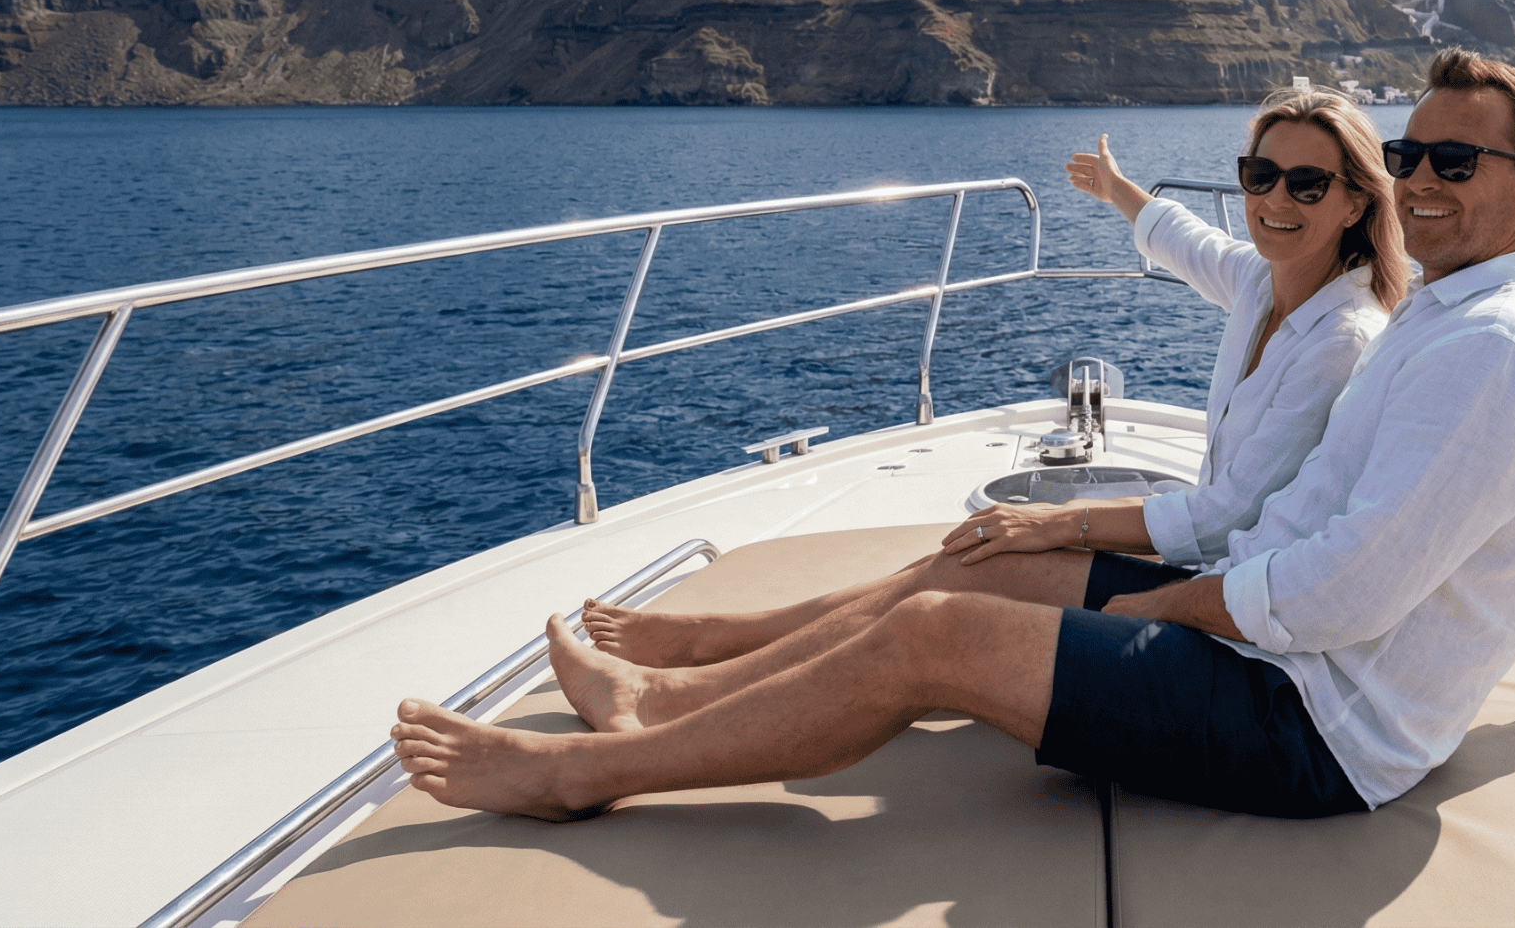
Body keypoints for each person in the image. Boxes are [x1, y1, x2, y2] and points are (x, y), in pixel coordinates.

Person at [392, 49, 1515, 823]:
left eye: (1456, 163)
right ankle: (666, 694)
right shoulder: (1465, 319)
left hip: (1318, 726)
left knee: (935, 631)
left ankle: (596, 773)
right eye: (1417, 155)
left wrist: (1161, 606)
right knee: (989, 571)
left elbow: (1339, 588)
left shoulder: (1480, 347)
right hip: (1300, 661)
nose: (1426, 178)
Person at [565, 87, 1406, 672]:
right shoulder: (1267, 280)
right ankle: (726, 641)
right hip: (1199, 563)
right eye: (1260, 177)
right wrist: (1120, 191)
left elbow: (1227, 517)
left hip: (1224, 596)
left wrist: (1059, 526)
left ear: (1357, 203)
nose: (1274, 201)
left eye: (1307, 183)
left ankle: (712, 652)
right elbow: (1190, 243)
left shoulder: (1341, 336)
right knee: (951, 561)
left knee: (964, 571)